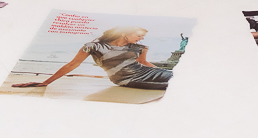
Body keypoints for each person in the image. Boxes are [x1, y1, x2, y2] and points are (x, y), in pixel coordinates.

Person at [11, 26, 177, 92]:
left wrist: (165, 71)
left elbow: (143, 63)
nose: (141, 39)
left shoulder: (140, 48)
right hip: (126, 79)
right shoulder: (92, 46)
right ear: (124, 33)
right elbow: (73, 64)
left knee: (176, 78)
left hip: (147, 72)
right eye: (139, 35)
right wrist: (46, 82)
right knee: (170, 87)